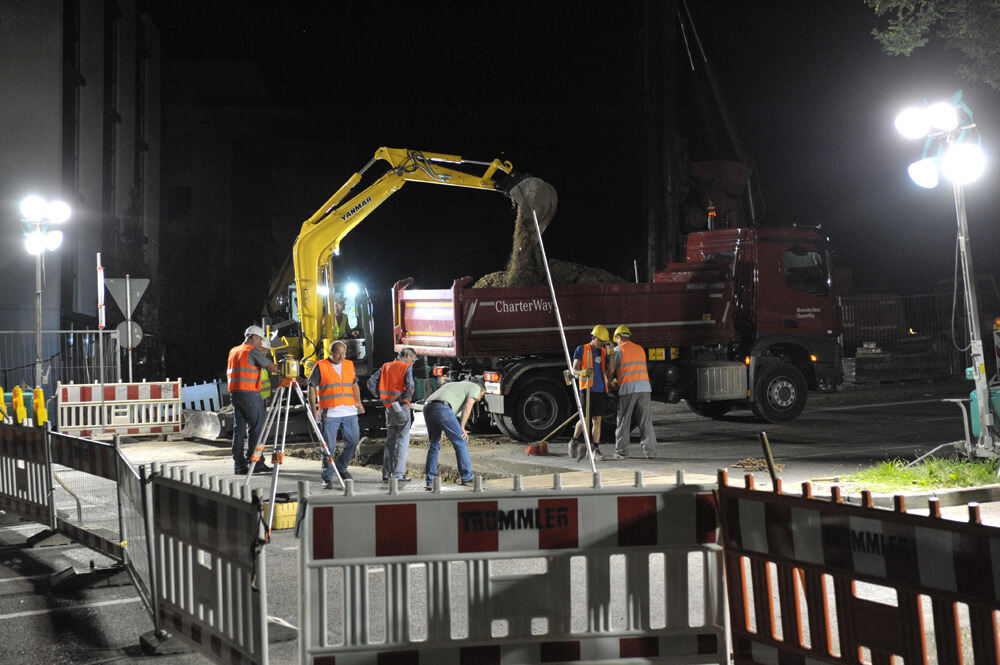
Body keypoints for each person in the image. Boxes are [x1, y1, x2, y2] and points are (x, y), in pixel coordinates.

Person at [308, 340, 366, 488]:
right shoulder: (320, 366)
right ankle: (327, 477)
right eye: (338, 353)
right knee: (329, 447)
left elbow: (354, 385)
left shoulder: (348, 365)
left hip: (349, 411)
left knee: (353, 442)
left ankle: (341, 467)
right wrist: (314, 411)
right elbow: (312, 388)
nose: (341, 357)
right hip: (330, 413)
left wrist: (358, 402)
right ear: (331, 353)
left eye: (344, 353)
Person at [227, 325, 278, 474]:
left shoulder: (234, 350)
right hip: (249, 393)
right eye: (260, 340)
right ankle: (256, 462)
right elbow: (272, 368)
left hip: (235, 393)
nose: (260, 343)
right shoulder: (252, 350)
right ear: (254, 337)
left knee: (240, 429)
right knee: (257, 428)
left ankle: (239, 465)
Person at [421, 377, 484, 490]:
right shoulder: (475, 387)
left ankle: (430, 480)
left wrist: (442, 429)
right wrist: (462, 427)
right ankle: (467, 478)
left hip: (428, 407)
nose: (480, 398)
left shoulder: (456, 385)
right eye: (482, 395)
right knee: (461, 440)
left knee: (434, 443)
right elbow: (468, 405)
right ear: (481, 390)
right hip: (442, 407)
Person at [367, 347, 417, 483]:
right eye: (412, 359)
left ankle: (386, 474)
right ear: (407, 356)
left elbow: (371, 382)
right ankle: (398, 475)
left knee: (390, 441)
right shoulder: (406, 367)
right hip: (401, 407)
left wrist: (380, 396)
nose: (412, 363)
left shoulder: (386, 366)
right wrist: (403, 397)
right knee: (402, 441)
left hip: (389, 407)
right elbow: (410, 385)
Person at [568, 324, 615, 462]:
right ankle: (574, 441)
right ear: (593, 337)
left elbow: (611, 370)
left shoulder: (604, 352)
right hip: (586, 389)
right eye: (600, 341)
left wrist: (611, 355)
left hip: (600, 390)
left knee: (597, 421)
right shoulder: (582, 349)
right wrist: (582, 372)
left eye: (604, 342)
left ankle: (595, 449)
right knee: (584, 420)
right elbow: (573, 369)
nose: (601, 344)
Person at [611, 325, 657, 459]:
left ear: (618, 337)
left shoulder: (617, 351)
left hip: (628, 389)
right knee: (646, 421)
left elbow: (611, 371)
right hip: (644, 388)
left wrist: (609, 381)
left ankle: (621, 452)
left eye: (616, 339)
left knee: (624, 421)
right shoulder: (640, 349)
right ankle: (651, 452)